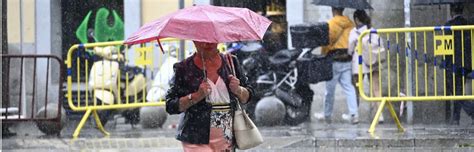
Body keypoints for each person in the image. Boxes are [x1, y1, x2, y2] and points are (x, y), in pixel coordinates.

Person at [165, 41, 254, 151]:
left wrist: (238, 90)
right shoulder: (183, 68)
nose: (207, 43)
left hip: (227, 135)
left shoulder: (231, 62)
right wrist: (197, 96)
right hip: (196, 136)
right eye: (202, 39)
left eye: (211, 39)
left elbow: (248, 96)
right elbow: (170, 105)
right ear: (194, 41)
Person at [320, 7, 359, 124]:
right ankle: (354, 114)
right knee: (349, 87)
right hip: (346, 59)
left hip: (333, 59)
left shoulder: (331, 23)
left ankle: (327, 115)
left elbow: (326, 41)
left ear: (333, 10)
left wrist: (324, 54)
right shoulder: (350, 24)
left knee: (329, 90)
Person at [348, 10, 384, 123]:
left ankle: (355, 115)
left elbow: (350, 50)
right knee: (376, 89)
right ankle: (380, 115)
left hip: (358, 64)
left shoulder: (354, 32)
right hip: (373, 62)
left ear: (356, 20)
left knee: (356, 90)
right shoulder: (373, 31)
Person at [443, 3, 473, 125]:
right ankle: (456, 118)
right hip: (466, 63)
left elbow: (446, 47)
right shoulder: (468, 24)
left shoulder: (448, 26)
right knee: (458, 90)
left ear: (451, 12)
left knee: (454, 91)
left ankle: (469, 113)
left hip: (453, 64)